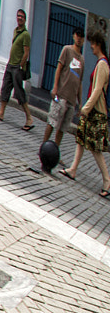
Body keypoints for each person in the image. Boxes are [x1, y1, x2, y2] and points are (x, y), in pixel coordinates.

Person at [61, 29, 109, 197]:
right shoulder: (100, 63)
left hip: (96, 111)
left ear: (98, 45)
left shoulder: (103, 64)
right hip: (92, 110)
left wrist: (85, 108)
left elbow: (97, 91)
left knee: (95, 148)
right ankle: (73, 169)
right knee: (81, 139)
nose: (91, 48)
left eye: (93, 45)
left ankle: (107, 182)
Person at [0, 9, 35, 129]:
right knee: (5, 88)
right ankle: (1, 112)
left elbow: (26, 52)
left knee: (19, 93)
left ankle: (29, 118)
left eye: (22, 16)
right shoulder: (16, 30)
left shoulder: (25, 34)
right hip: (10, 65)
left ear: (25, 19)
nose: (19, 18)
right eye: (18, 16)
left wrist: (21, 65)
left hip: (17, 67)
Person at [46, 28, 85, 151]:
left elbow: (79, 82)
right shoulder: (67, 50)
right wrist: (55, 87)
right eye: (77, 35)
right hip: (61, 93)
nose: (79, 39)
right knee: (53, 121)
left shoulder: (82, 60)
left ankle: (54, 151)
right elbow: (59, 68)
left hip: (72, 99)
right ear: (73, 36)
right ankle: (44, 145)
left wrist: (80, 103)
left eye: (81, 37)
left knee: (62, 128)